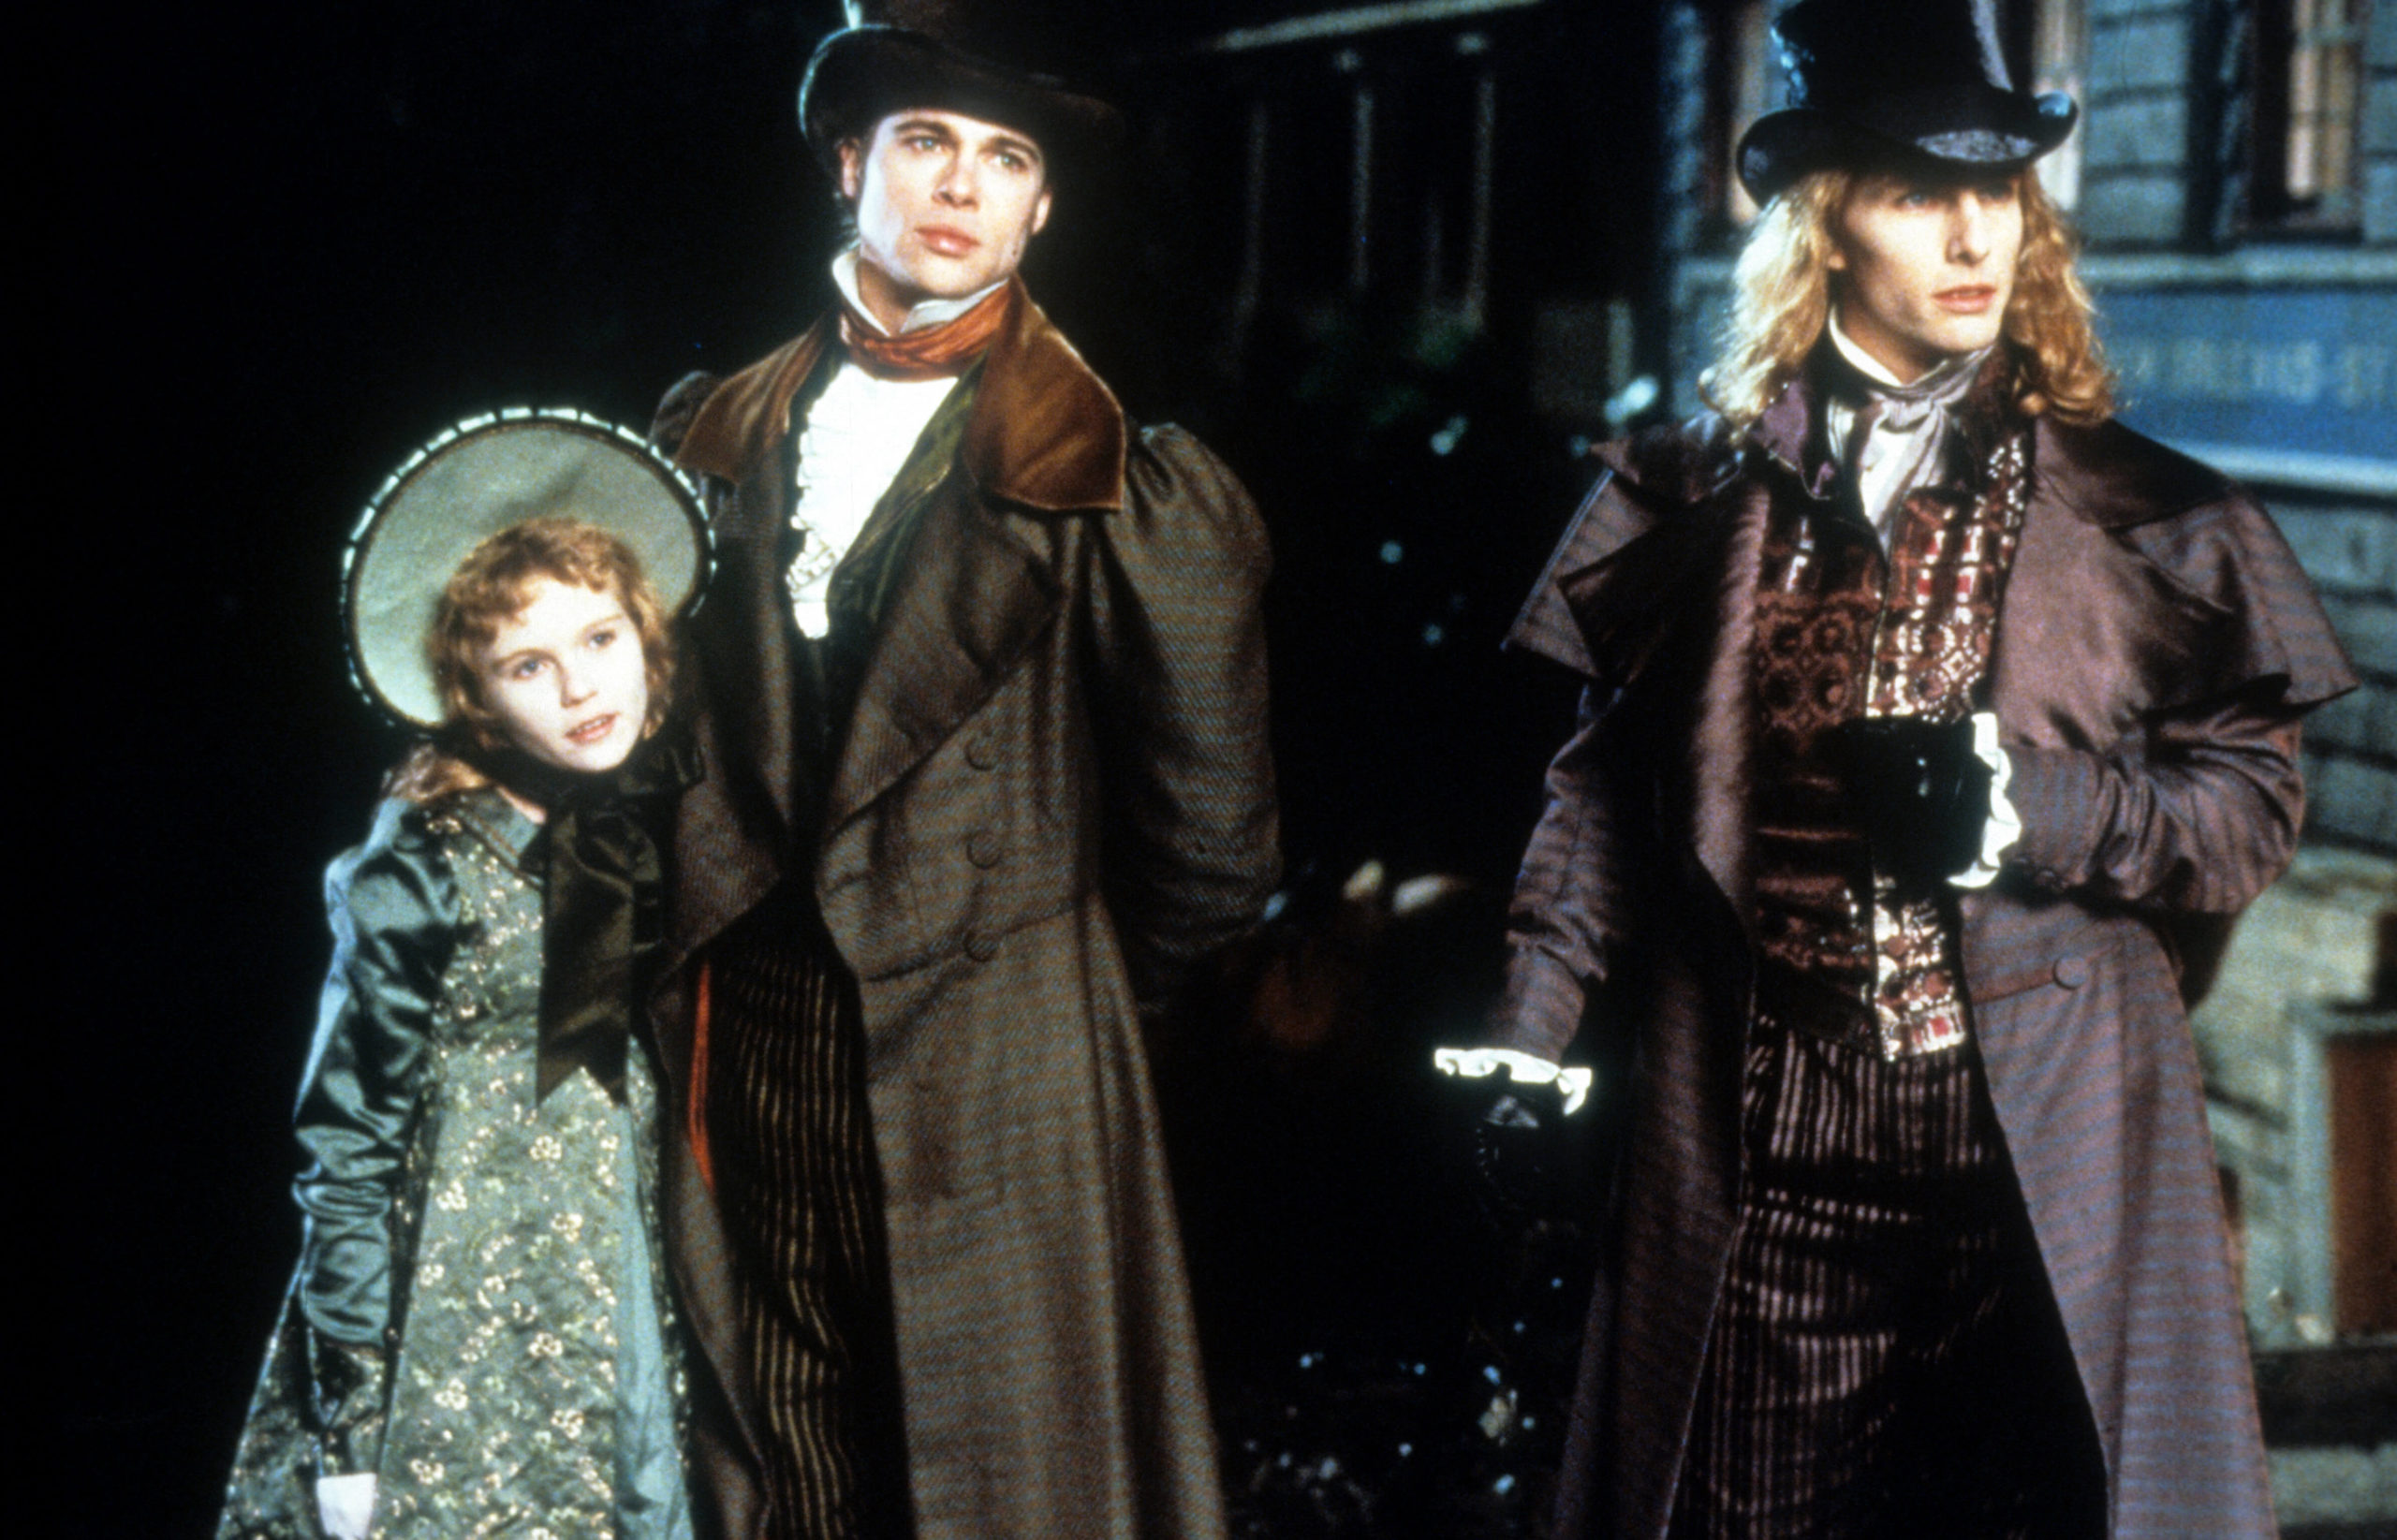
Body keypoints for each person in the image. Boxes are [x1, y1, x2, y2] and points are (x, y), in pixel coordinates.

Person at [1446, 1, 2359, 1535]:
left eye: (1998, 194)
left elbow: (2249, 808)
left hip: (2046, 1138)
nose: (1973, 236)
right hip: (1772, 1134)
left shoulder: (2146, 513)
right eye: (1916, 192)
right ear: (1824, 229)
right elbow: (1605, 788)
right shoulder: (1695, 495)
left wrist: (2038, 807)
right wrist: (1534, 1025)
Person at [642, 4, 1278, 1536]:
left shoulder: (1124, 479)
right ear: (847, 160)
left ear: (1043, 206)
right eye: (924, 142)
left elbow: (1214, 850)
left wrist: (1051, 1012)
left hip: (1005, 1061)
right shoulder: (705, 437)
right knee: (773, 1470)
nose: (958, 188)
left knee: (996, 1485)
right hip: (747, 1042)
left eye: (1005, 159)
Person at [218, 413, 712, 1540]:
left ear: (646, 636)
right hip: (464, 1311)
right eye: (529, 665)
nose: (581, 687)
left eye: (600, 640)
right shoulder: (420, 862)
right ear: (476, 695)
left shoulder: (643, 831)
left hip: (624, 1279)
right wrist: (351, 1419)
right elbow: (347, 1146)